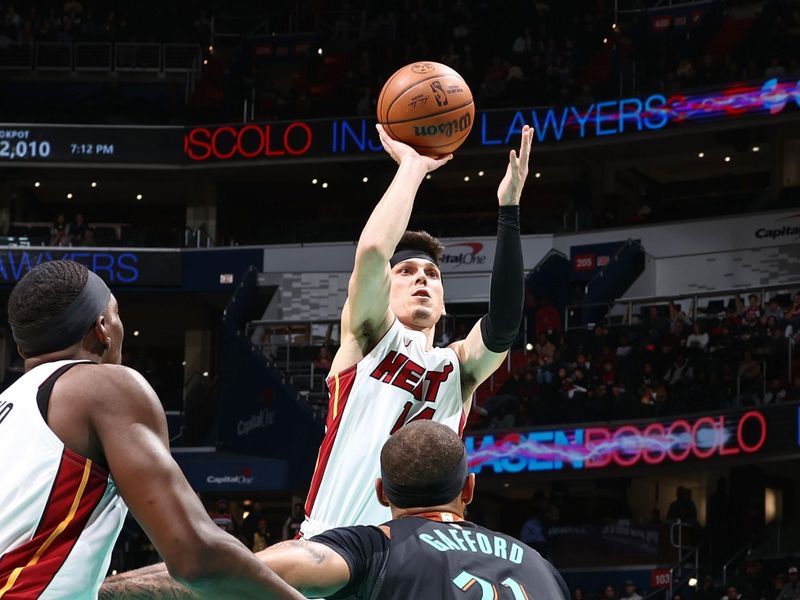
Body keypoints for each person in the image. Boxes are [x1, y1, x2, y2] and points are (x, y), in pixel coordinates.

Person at [0, 260, 302, 600]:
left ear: (25, 349)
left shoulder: (10, 405)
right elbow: (198, 556)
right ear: (103, 327)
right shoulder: (104, 387)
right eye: (116, 313)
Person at [299, 124, 533, 538]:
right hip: (331, 544)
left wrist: (509, 210)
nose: (422, 278)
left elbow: (504, 327)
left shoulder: (457, 366)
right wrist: (412, 165)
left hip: (409, 562)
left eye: (432, 274)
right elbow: (373, 252)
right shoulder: (367, 337)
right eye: (406, 271)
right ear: (385, 291)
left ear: (443, 303)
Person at [99, 421, 570, 600]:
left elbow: (221, 573)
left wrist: (97, 590)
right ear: (469, 487)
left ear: (382, 493)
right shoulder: (543, 569)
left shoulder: (374, 546)